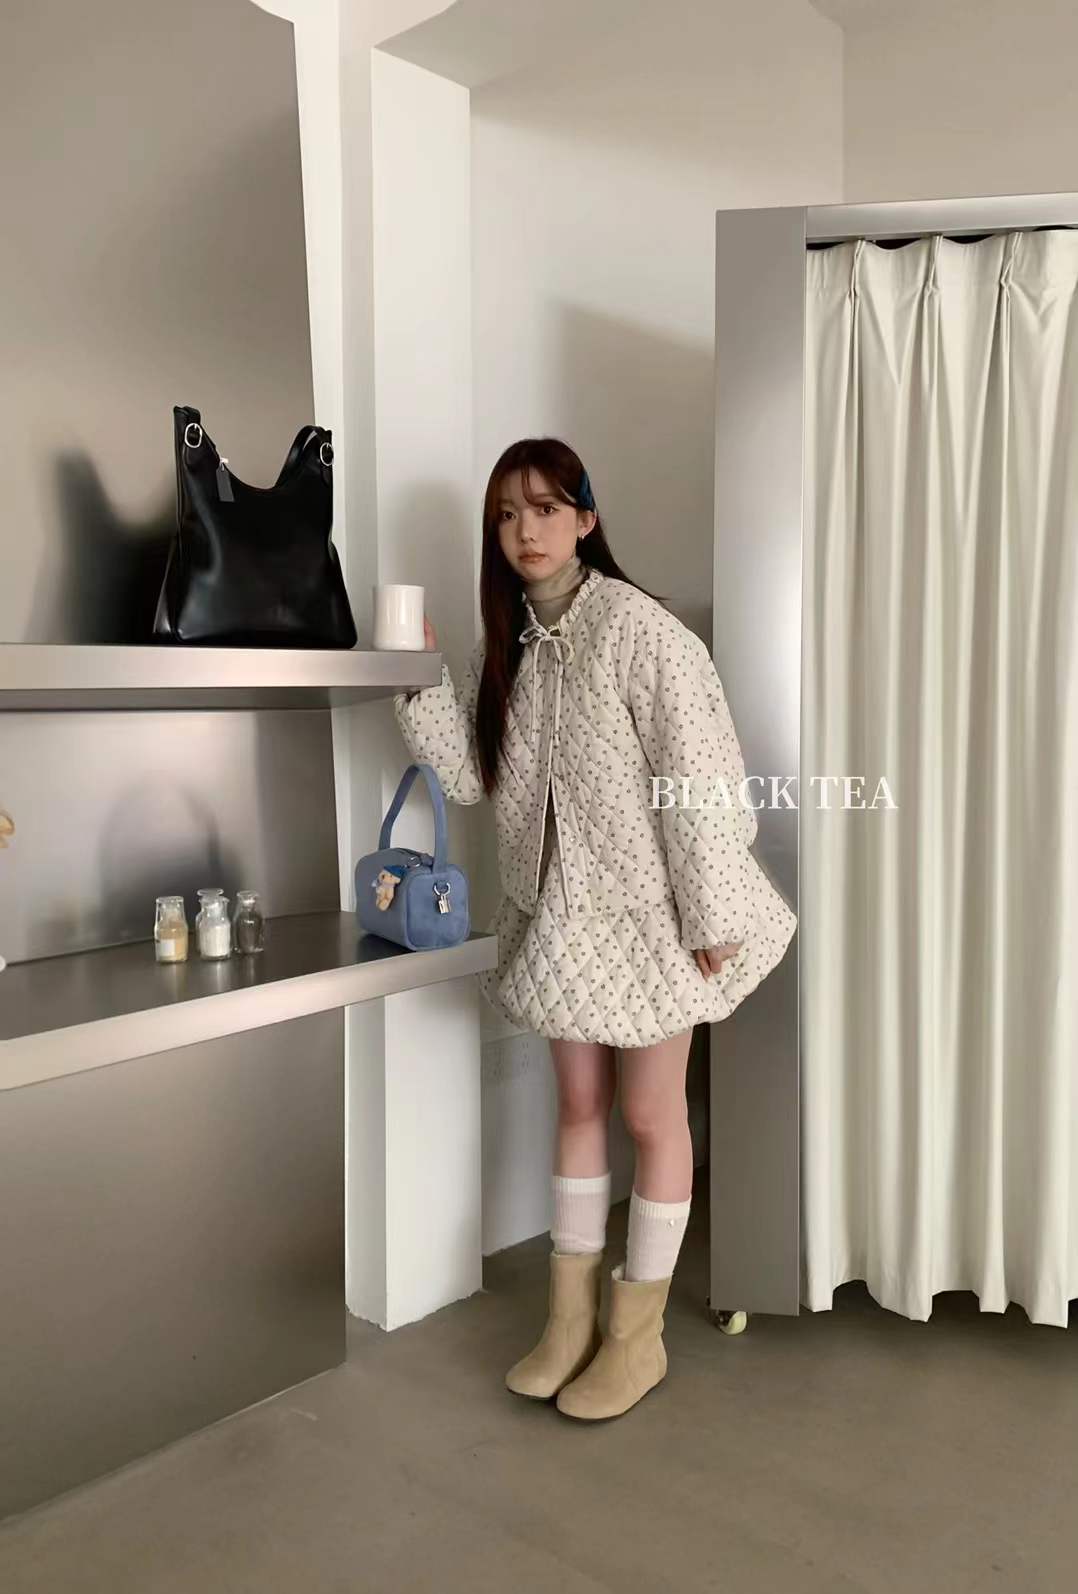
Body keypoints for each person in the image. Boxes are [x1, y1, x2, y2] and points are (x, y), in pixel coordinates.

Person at [393, 436, 797, 1421]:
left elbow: (700, 774)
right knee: (578, 1106)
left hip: (655, 918)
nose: (524, 530)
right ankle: (568, 1322)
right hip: (561, 923)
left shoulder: (641, 632)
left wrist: (710, 910)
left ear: (585, 518)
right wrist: (417, 678)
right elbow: (472, 778)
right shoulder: (508, 646)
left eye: (544, 508)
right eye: (505, 514)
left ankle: (635, 1335)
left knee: (653, 1115)